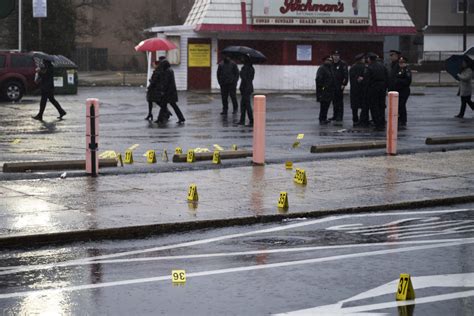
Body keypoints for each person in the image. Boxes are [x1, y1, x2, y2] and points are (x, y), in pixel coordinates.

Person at [364, 53, 388, 131]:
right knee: (381, 106)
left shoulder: (369, 67)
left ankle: (377, 124)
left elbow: (367, 80)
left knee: (374, 107)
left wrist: (366, 90)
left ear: (369, 59)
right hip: (382, 87)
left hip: (373, 88)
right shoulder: (382, 66)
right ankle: (382, 122)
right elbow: (387, 76)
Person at [158, 59, 185, 124]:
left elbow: (166, 82)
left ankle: (160, 119)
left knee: (166, 105)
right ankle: (160, 118)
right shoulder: (170, 70)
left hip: (168, 92)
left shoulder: (167, 71)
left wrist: (162, 90)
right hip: (171, 92)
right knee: (166, 105)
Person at [316, 55, 336, 124]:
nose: (330, 61)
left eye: (330, 60)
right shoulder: (322, 68)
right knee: (323, 105)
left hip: (329, 90)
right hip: (324, 90)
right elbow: (319, 79)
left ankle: (324, 118)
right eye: (328, 60)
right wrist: (323, 87)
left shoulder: (330, 68)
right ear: (325, 61)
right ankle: (322, 119)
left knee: (327, 105)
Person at [330, 50, 348, 124]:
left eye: (337, 56)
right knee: (334, 101)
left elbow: (346, 75)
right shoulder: (331, 64)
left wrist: (344, 84)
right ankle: (335, 115)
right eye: (334, 55)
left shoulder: (343, 64)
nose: (336, 57)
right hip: (332, 85)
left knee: (339, 102)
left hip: (339, 85)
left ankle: (339, 116)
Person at [393, 56, 412, 127]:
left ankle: (403, 120)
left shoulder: (406, 70)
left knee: (402, 105)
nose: (400, 64)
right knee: (398, 105)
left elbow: (408, 81)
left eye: (402, 62)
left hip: (404, 90)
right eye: (400, 62)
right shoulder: (399, 69)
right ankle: (399, 118)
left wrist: (398, 81)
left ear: (405, 63)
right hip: (398, 90)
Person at [349, 53, 366, 125]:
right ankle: (363, 119)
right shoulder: (365, 67)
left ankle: (355, 119)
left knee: (354, 106)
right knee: (364, 105)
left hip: (354, 89)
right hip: (363, 89)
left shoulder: (352, 68)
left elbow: (351, 78)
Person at [237, 56, 254, 126]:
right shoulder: (251, 68)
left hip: (246, 88)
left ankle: (251, 120)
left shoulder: (246, 68)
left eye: (243, 59)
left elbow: (245, 78)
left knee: (246, 105)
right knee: (243, 105)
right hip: (247, 88)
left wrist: (240, 73)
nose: (241, 60)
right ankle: (242, 120)